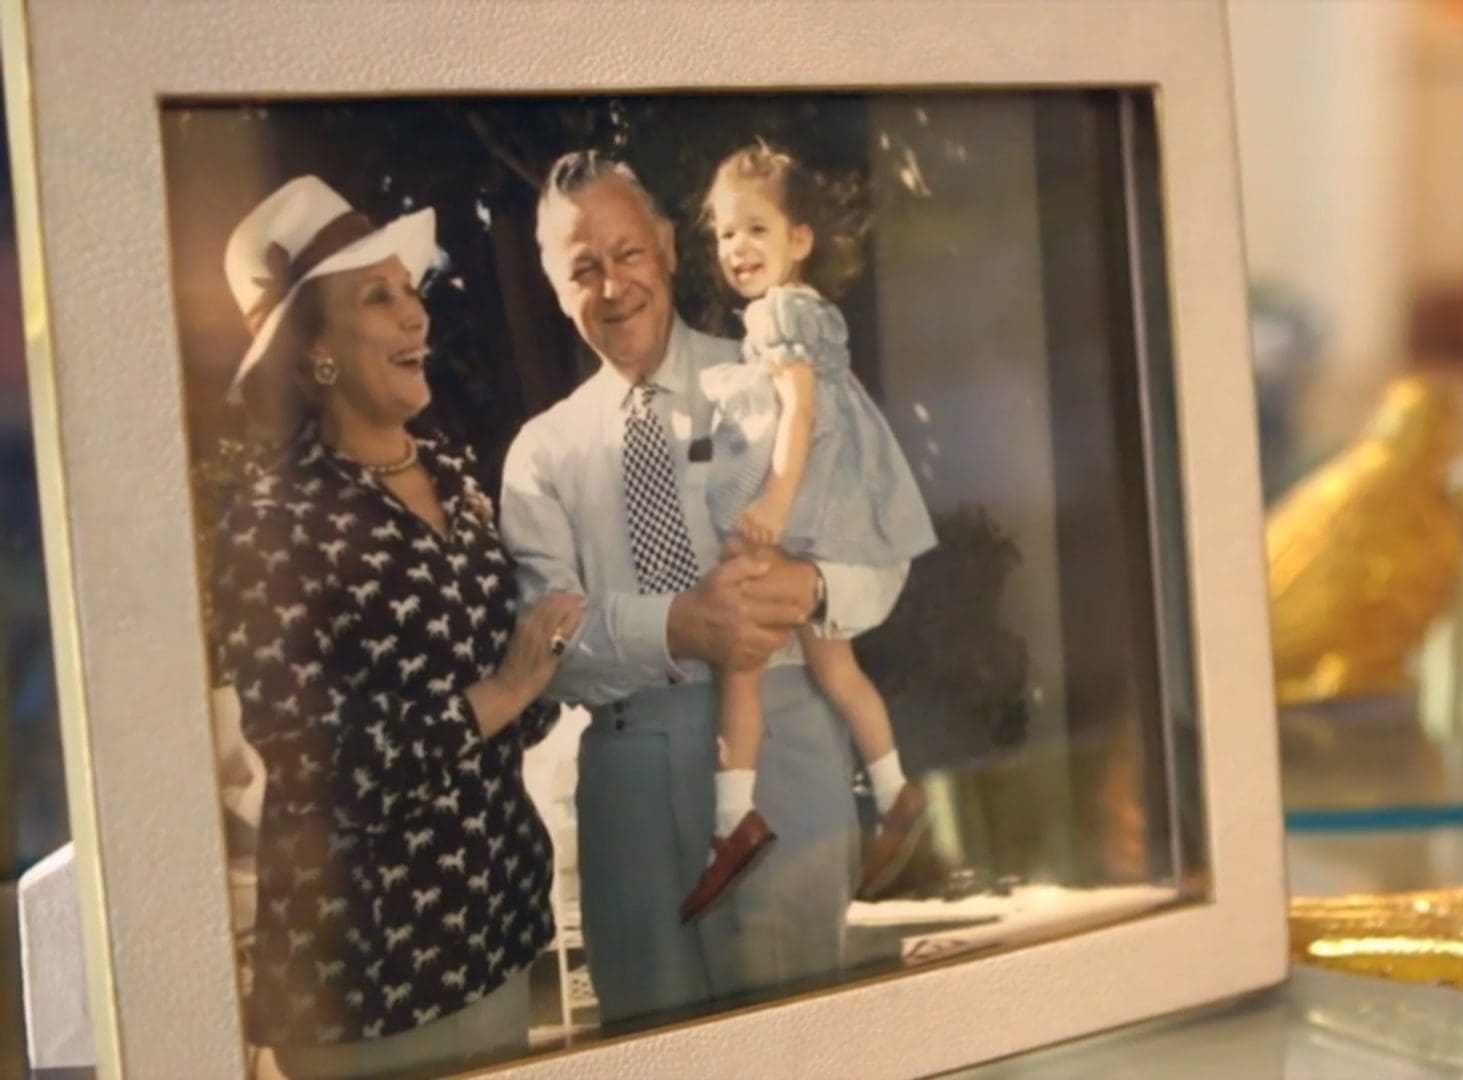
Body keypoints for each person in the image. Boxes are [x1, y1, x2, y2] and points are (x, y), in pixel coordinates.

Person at [499, 150, 905, 1022]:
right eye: (583, 269)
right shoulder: (543, 451)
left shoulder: (777, 379)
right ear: (557, 289)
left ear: (672, 249)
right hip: (629, 776)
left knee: (795, 1043)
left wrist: (811, 585)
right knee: (653, 1043)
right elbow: (547, 648)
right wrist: (679, 626)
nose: (613, 286)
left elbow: (881, 566)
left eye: (629, 253)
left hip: (786, 755)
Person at [212, 175, 585, 1078]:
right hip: (367, 982)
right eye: (376, 297)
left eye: (409, 290)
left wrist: (545, 675)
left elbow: (519, 702)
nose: (415, 315)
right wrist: (499, 694)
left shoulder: (457, 478)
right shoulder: (275, 519)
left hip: (492, 937)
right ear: (316, 355)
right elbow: (311, 763)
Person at [692, 143, 937, 917]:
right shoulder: (796, 315)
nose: (738, 249)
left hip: (808, 515)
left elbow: (800, 414)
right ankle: (897, 792)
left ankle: (735, 818)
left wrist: (772, 500)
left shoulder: (783, 312)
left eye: (756, 230)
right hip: (825, 519)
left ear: (800, 240)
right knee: (836, 672)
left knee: (740, 658)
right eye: (727, 234)